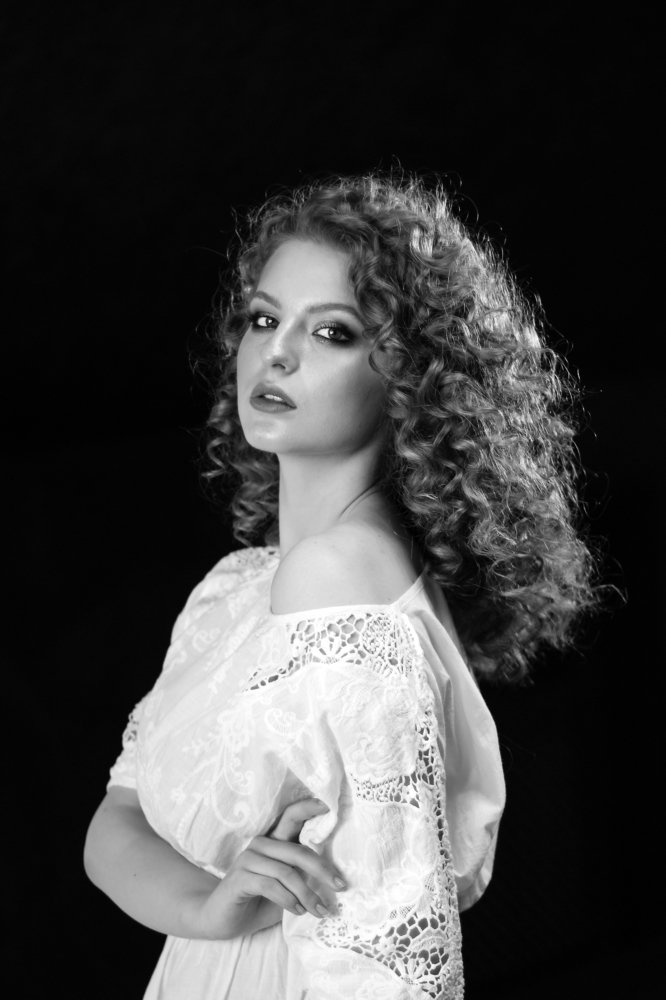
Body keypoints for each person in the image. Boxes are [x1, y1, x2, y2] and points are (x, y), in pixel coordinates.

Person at [84, 172, 600, 999]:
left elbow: (392, 961)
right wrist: (208, 909)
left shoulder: (339, 580)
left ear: (410, 377)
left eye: (332, 332)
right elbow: (114, 824)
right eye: (264, 318)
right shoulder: (240, 585)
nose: (277, 352)